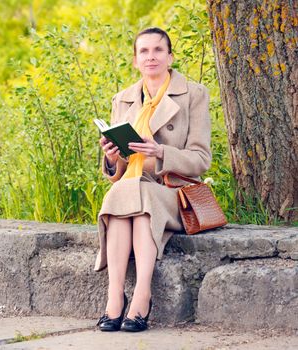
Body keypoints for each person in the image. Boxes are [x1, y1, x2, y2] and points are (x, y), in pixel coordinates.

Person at [95, 27, 211, 332]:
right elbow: (115, 173)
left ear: (170, 57)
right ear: (135, 60)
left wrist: (161, 152)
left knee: (136, 195)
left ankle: (142, 294)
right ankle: (115, 296)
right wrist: (110, 156)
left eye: (158, 50)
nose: (151, 57)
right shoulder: (123, 99)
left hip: (172, 191)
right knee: (123, 192)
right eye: (144, 51)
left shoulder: (194, 94)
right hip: (132, 186)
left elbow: (201, 160)